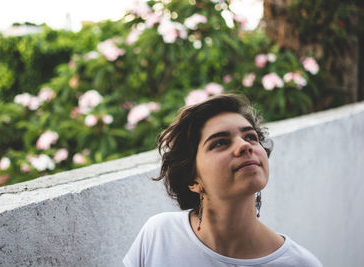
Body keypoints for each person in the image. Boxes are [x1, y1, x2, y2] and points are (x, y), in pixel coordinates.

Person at [123, 94, 322, 266]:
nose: (245, 146)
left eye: (251, 137)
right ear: (192, 180)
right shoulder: (159, 236)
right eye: (220, 142)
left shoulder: (300, 263)